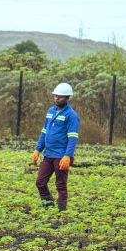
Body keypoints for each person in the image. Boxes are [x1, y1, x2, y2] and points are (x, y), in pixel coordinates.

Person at [31, 82, 79, 211]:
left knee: (61, 185)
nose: (57, 98)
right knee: (40, 182)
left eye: (60, 96)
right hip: (48, 154)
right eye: (55, 95)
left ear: (67, 98)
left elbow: (72, 138)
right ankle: (49, 206)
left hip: (61, 156)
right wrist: (38, 149)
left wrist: (68, 156)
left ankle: (61, 212)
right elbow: (44, 132)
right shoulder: (50, 111)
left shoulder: (71, 115)